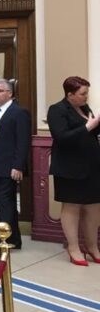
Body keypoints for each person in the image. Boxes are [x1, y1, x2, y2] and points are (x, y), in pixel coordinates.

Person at [46, 76, 100, 265]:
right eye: (82, 93)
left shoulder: (85, 108)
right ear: (70, 94)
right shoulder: (57, 110)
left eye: (87, 93)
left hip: (92, 167)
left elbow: (92, 134)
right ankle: (74, 248)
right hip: (69, 168)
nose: (86, 97)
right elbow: (62, 137)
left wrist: (95, 126)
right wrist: (87, 126)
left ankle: (93, 247)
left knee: (94, 207)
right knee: (72, 207)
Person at [0, 79, 31, 249]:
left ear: (10, 93)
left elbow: (22, 142)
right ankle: (14, 240)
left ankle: (2, 241)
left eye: (0, 91)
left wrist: (18, 166)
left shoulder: (19, 113)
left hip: (8, 166)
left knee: (5, 204)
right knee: (2, 204)